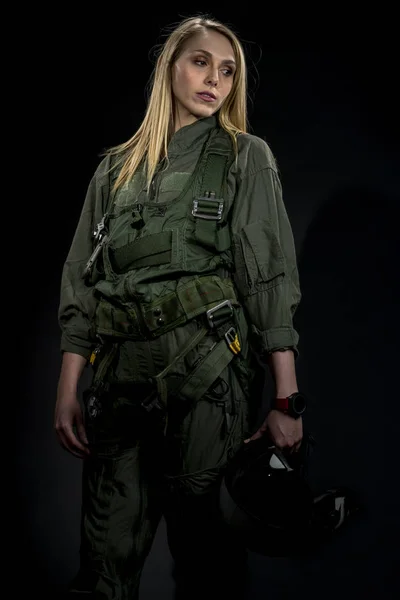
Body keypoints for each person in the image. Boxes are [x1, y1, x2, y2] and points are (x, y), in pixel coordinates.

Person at [54, 13, 303, 600]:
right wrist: (68, 387)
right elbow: (82, 283)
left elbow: (267, 278)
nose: (214, 79)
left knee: (208, 559)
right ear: (170, 67)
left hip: (208, 379)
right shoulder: (114, 171)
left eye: (227, 70)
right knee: (104, 563)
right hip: (119, 384)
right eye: (200, 62)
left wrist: (287, 401)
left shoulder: (246, 157)